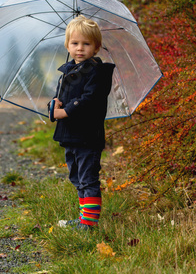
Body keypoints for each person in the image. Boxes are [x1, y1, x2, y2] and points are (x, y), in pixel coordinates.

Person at [50, 15, 115, 230]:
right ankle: (83, 220)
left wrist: (66, 111)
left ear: (96, 47)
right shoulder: (69, 71)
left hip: (88, 136)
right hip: (71, 135)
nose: (80, 48)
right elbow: (64, 98)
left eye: (86, 44)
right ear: (67, 45)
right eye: (75, 43)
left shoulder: (97, 72)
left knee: (88, 179)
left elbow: (88, 100)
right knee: (76, 177)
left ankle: (89, 224)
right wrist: (55, 105)